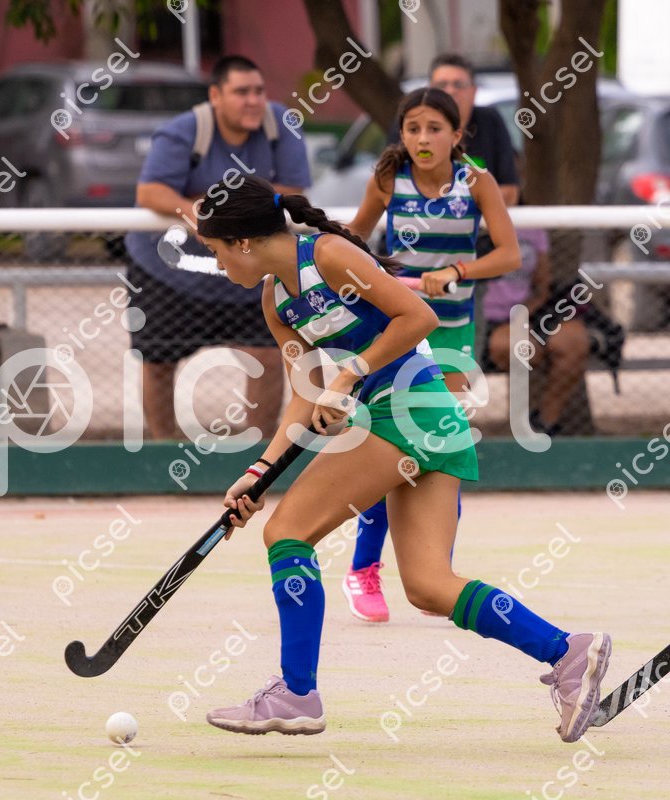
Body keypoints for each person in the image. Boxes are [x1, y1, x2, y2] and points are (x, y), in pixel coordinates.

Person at [194, 174, 610, 744]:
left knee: (287, 533)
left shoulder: (329, 255)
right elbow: (304, 394)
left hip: (408, 410)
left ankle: (296, 692)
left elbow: (418, 317)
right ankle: (567, 652)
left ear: (242, 240)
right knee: (429, 586)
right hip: (426, 425)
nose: (217, 265)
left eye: (215, 250)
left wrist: (349, 373)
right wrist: (258, 473)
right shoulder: (276, 300)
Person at [340, 88, 520, 623]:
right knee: (390, 449)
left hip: (451, 332)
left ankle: (436, 573)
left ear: (457, 135)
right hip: (397, 330)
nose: (423, 139)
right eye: (413, 128)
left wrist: (457, 271)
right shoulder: (387, 179)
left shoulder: (477, 181)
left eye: (435, 129)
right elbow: (350, 243)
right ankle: (363, 569)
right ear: (401, 134)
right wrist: (375, 276)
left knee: (444, 449)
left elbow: (508, 253)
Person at [124, 55, 311, 439]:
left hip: (248, 269)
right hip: (168, 270)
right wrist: (197, 210)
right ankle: (163, 450)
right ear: (215, 96)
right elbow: (150, 191)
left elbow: (293, 191)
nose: (253, 101)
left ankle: (258, 454)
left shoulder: (282, 125)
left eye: (258, 91)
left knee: (269, 357)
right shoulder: (182, 131)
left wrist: (216, 205)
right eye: (241, 92)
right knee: (157, 361)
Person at [483, 225, 590, 436]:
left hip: (526, 314)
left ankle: (545, 423)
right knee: (517, 348)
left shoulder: (532, 229)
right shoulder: (470, 223)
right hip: (482, 318)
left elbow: (542, 288)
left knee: (573, 342)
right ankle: (519, 425)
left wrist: (523, 316)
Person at [392, 53, 519, 208]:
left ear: (456, 136)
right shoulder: (408, 123)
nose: (451, 91)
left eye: (459, 84)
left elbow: (510, 191)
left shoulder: (490, 122)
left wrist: (458, 209)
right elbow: (390, 189)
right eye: (442, 85)